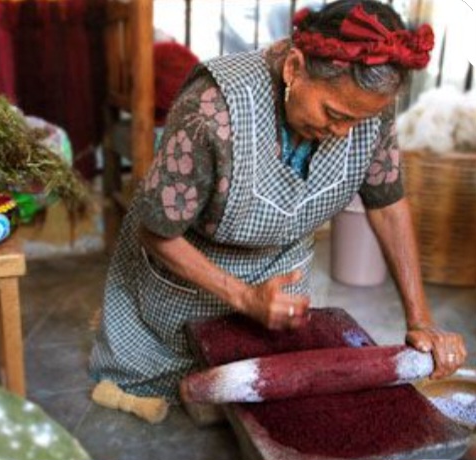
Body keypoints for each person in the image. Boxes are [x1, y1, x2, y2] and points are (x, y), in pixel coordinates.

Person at [89, 0, 468, 423]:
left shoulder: (367, 108)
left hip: (280, 285)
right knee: (191, 399)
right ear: (294, 68)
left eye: (356, 122)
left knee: (270, 400)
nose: (342, 132)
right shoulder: (213, 108)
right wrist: (243, 296)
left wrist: (421, 319)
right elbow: (155, 230)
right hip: (187, 282)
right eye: (333, 114)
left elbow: (387, 203)